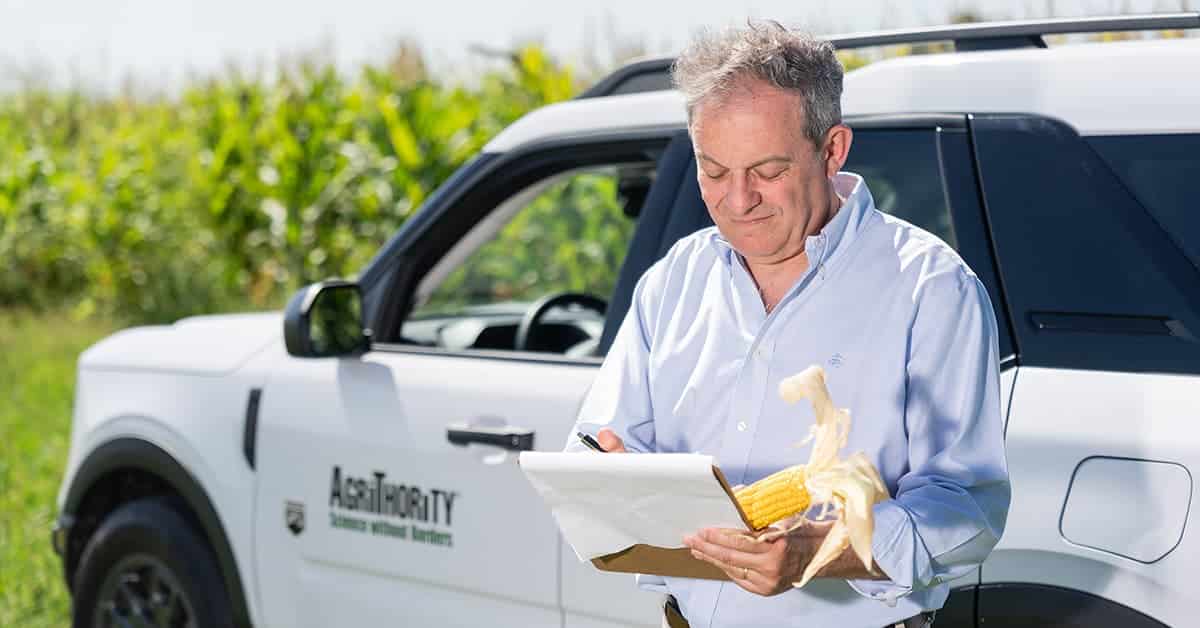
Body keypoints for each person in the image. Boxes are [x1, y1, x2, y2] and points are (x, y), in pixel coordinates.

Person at [564, 20, 1011, 628]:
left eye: (767, 171)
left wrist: (824, 550)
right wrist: (606, 473)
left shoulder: (931, 289)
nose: (737, 199)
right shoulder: (674, 280)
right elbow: (604, 443)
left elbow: (966, 512)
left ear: (833, 150)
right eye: (713, 170)